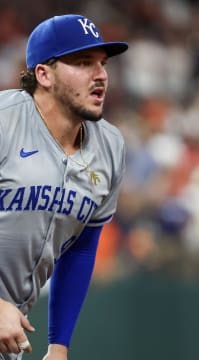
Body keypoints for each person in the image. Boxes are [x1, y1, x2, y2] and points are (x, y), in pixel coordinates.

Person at [0, 14, 128, 360]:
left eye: (102, 63)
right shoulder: (4, 121)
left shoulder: (110, 147)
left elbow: (82, 247)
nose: (100, 74)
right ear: (43, 74)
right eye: (83, 62)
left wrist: (59, 345)